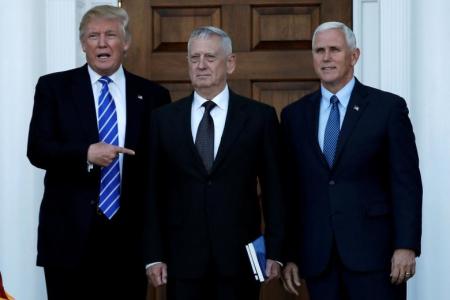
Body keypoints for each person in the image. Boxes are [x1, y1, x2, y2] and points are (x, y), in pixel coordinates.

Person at [27, 5, 171, 300]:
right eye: (93, 36)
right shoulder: (54, 88)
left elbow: (160, 171)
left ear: (126, 42)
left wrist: (157, 246)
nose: (102, 43)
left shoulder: (154, 95)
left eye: (111, 35)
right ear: (83, 45)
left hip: (128, 240)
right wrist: (85, 153)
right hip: (69, 238)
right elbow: (38, 149)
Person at [281, 21, 422, 300]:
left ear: (354, 56)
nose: (326, 57)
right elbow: (290, 191)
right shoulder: (294, 115)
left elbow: (405, 182)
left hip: (375, 257)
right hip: (319, 258)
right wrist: (290, 254)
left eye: (334, 49)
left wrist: (405, 245)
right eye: (319, 50)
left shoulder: (388, 109)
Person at [143, 26, 284, 300]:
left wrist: (276, 252)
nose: (201, 65)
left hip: (240, 260)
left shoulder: (259, 117)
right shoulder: (163, 120)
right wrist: (153, 255)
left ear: (230, 63)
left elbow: (275, 190)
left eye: (210, 57)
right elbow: (151, 193)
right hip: (182, 261)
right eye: (194, 58)